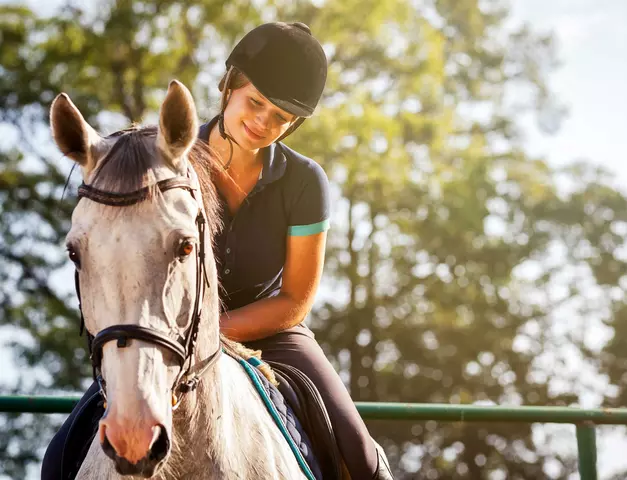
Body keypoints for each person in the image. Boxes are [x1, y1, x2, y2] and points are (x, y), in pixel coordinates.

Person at [41, 22, 393, 480]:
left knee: (362, 456)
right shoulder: (165, 164)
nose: (263, 122)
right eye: (256, 103)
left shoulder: (305, 182)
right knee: (57, 460)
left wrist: (209, 334)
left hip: (271, 332)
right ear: (229, 87)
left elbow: (295, 301)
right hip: (162, 330)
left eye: (281, 117)